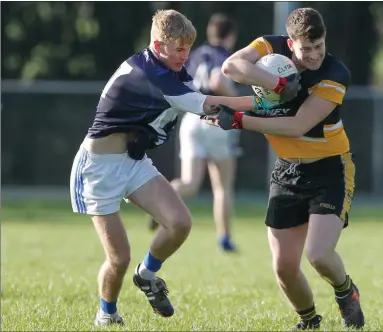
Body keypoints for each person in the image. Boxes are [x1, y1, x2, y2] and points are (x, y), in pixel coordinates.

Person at [69, 9, 300, 327]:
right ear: (158, 44)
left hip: (132, 162)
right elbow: (206, 103)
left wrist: (234, 113)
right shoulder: (153, 75)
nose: (184, 55)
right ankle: (106, 313)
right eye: (178, 49)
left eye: (187, 48)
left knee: (179, 223)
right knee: (119, 258)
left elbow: (200, 106)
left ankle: (147, 276)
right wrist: (266, 100)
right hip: (99, 169)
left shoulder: (170, 70)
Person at [205, 7, 365, 330]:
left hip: (329, 169)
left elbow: (296, 124)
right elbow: (231, 67)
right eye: (306, 49)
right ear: (290, 44)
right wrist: (275, 83)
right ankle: (309, 320)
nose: (315, 54)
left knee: (318, 254)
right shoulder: (270, 47)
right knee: (284, 267)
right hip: (287, 172)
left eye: (319, 46)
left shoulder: (335, 73)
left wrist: (236, 120)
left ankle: (346, 291)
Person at [148, 13, 240, 252]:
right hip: (217, 120)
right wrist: (238, 100)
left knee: (189, 183)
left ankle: (158, 205)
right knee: (222, 187)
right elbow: (217, 79)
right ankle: (225, 239)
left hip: (191, 119)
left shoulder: (194, 54)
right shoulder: (226, 55)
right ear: (231, 36)